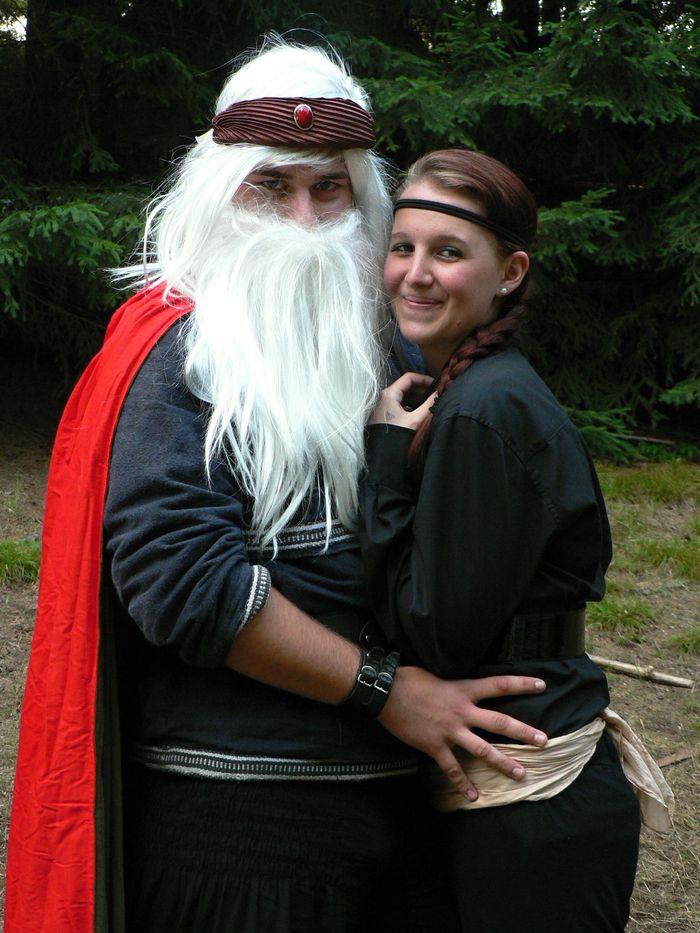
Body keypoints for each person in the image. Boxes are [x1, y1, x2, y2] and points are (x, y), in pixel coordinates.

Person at [4, 46, 553, 933]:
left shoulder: (394, 341)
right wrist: (390, 691)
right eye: (272, 187)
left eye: (329, 189)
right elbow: (185, 582)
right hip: (236, 829)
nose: (304, 219)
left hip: (406, 812)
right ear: (221, 192)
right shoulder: (179, 350)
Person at [359, 148, 673, 932]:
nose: (416, 274)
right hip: (517, 790)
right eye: (403, 247)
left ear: (510, 272)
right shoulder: (470, 389)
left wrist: (385, 462)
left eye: (448, 252)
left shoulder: (484, 409)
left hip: (531, 799)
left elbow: (433, 631)